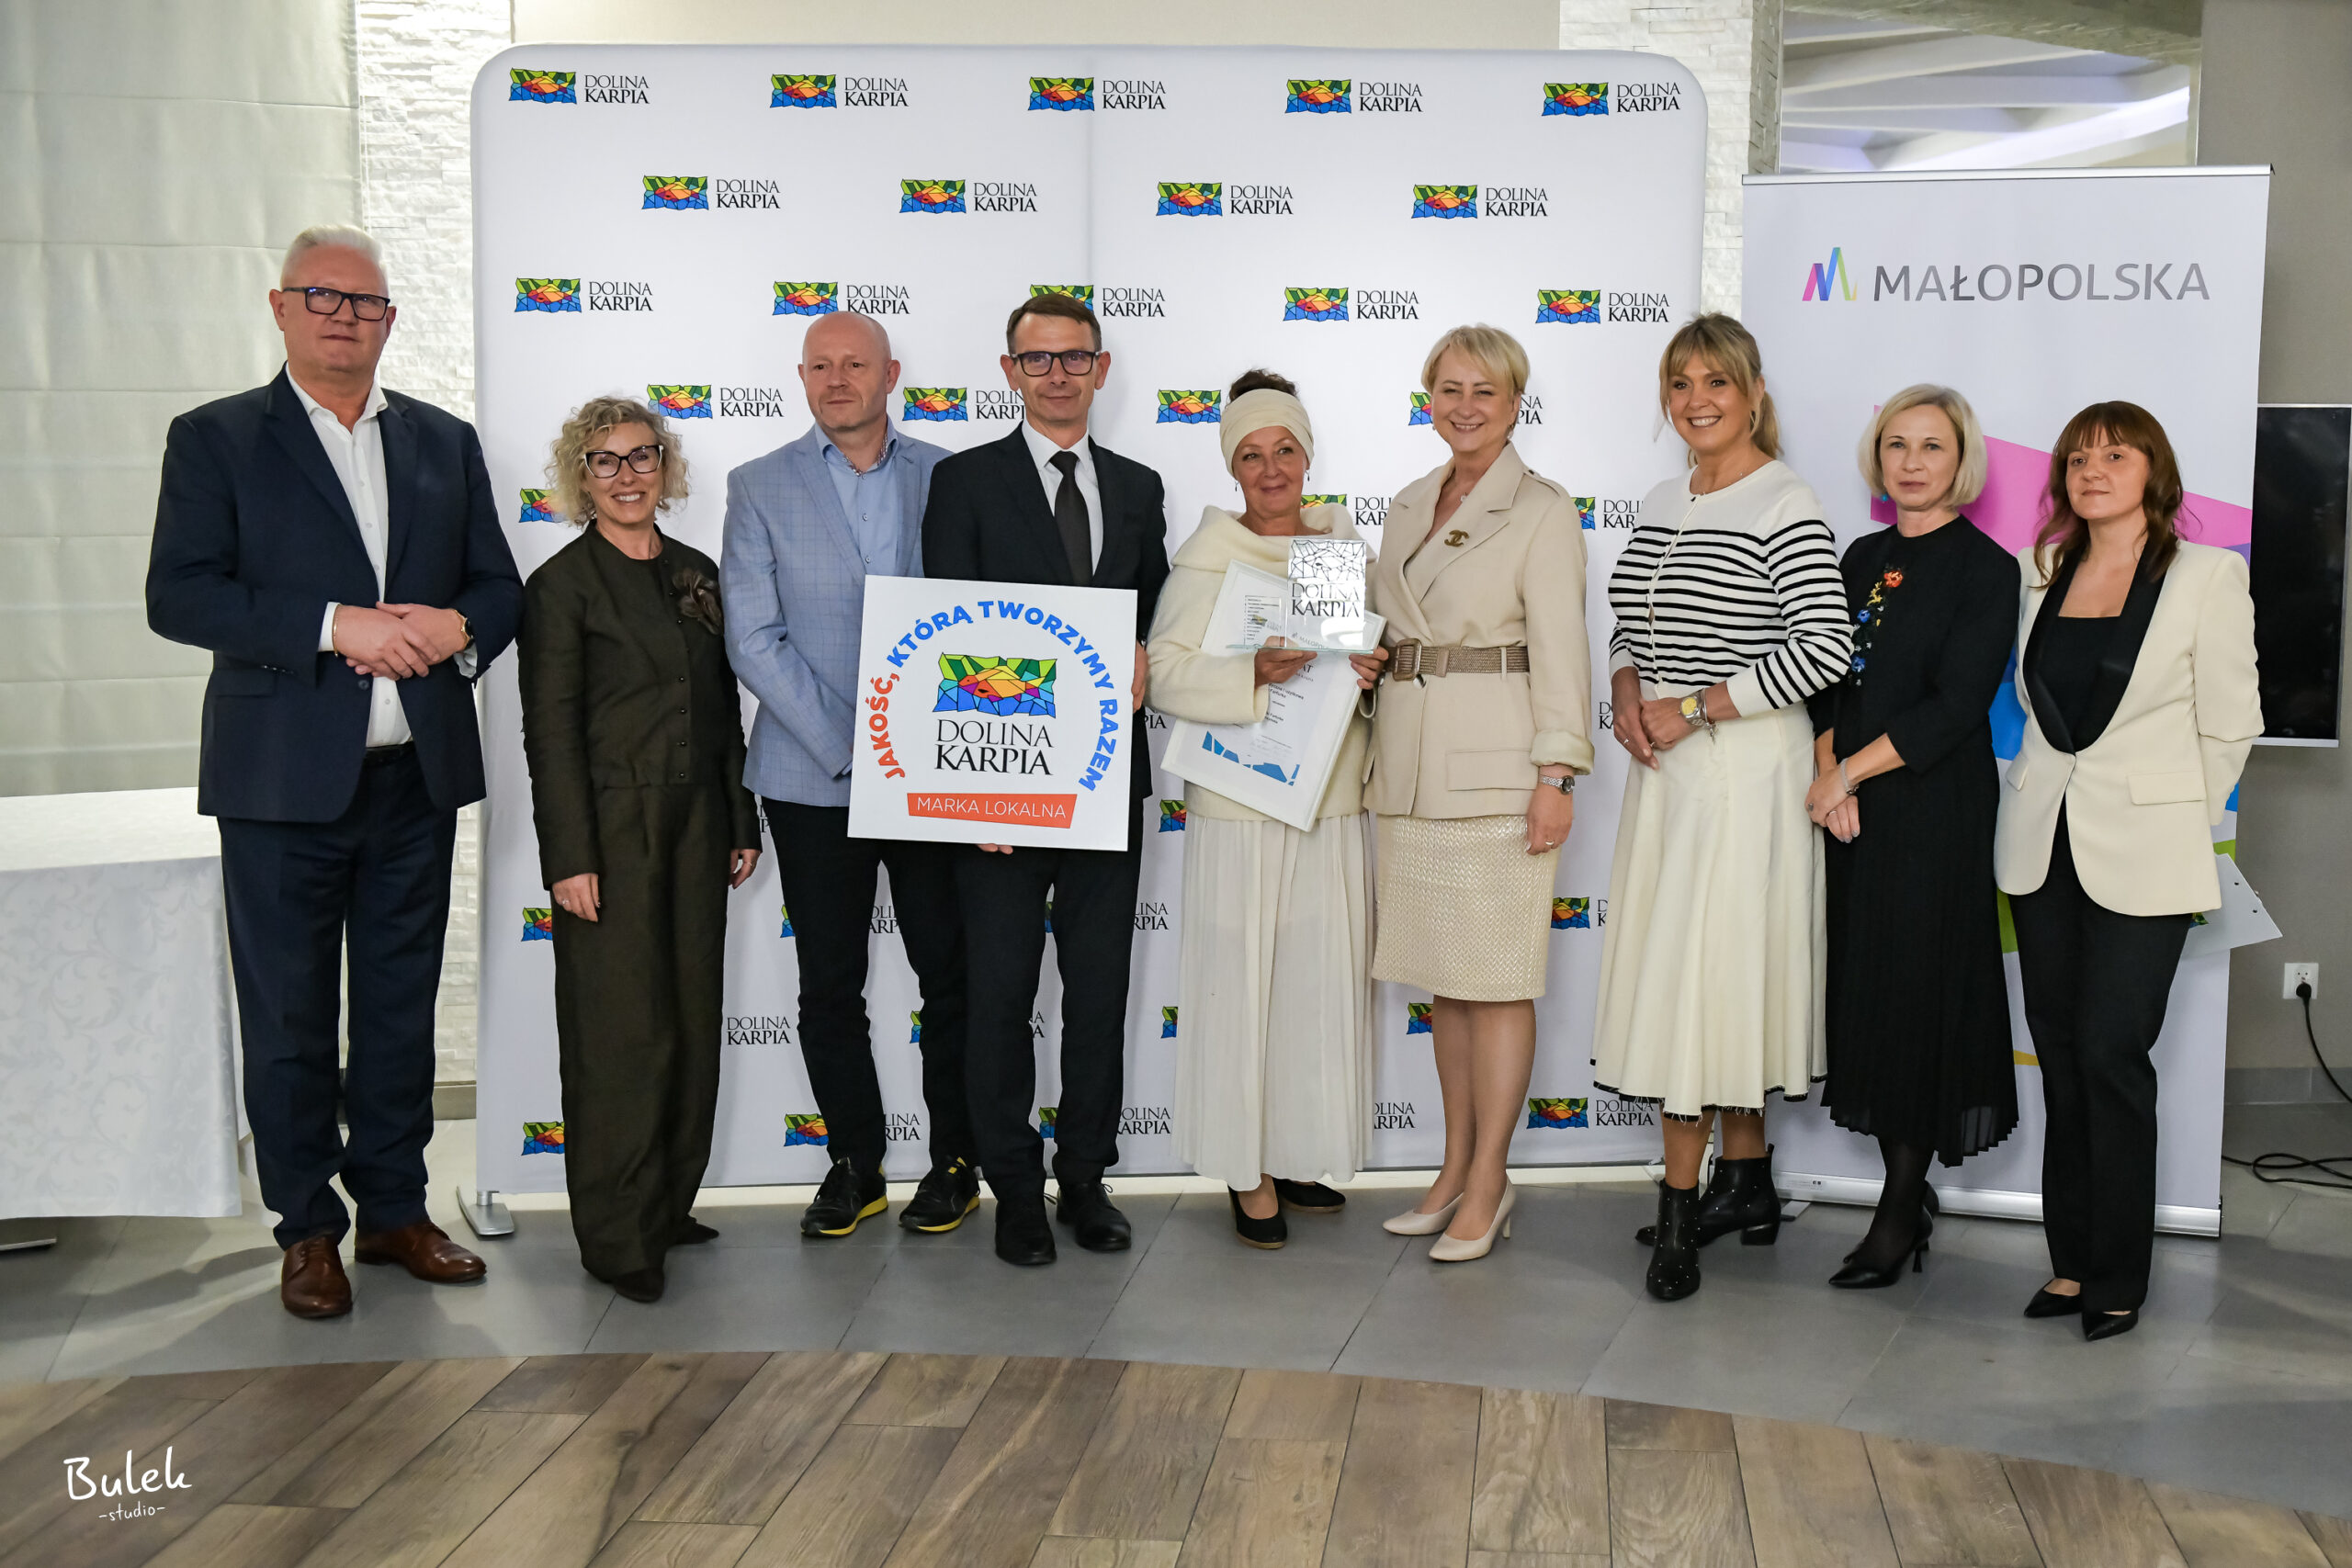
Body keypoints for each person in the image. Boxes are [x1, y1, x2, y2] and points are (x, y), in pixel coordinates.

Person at [145, 224, 522, 1319]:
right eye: (322, 296)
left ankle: (395, 1210)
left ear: (389, 320)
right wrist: (330, 624)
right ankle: (307, 1228)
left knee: (400, 1012)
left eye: (364, 302)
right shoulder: (216, 438)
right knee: (293, 1020)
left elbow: (498, 589)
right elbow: (180, 595)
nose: (344, 316)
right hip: (278, 787)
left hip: (415, 779)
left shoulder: (443, 441)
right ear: (281, 308)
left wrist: (456, 626)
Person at [1592, 311, 1851, 1303]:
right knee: (1713, 974)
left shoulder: (1785, 500)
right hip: (1669, 774)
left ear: (1752, 394)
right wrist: (1627, 688)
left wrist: (1694, 707)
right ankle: (1746, 1183)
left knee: (1698, 984)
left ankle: (1678, 1212)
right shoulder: (1666, 498)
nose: (1696, 401)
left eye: (1716, 382)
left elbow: (1823, 649)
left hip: (1741, 772)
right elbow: (1630, 619)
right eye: (1680, 383)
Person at [1996, 400, 2260, 1341]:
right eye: (2077, 458)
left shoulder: (2205, 576)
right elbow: (2035, 707)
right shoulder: (2040, 571)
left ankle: (2117, 1274)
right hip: (2042, 844)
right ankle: (2070, 1261)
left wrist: (2178, 820)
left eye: (2114, 454)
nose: (2092, 471)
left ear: (2155, 470)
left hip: (2148, 854)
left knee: (2111, 1053)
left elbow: (2230, 724)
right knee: (2062, 1055)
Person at [921, 289, 1169, 1267]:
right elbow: (947, 631)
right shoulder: (965, 482)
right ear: (1009, 372)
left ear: (1101, 368)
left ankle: (1086, 1179)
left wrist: (1148, 650)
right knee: (999, 995)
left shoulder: (1140, 486)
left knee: (1099, 992)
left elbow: (1154, 613)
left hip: (1107, 779)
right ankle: (1014, 1189)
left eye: (1074, 357)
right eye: (1038, 359)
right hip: (1002, 786)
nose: (1057, 374)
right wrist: (972, 794)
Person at [721, 311, 978, 1240]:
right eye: (820, 365)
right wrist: (857, 744)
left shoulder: (952, 476)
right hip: (809, 772)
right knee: (829, 983)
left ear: (891, 375)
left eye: (855, 364)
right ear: (801, 378)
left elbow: (980, 618)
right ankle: (854, 1164)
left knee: (948, 975)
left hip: (936, 776)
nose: (837, 379)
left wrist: (909, 751)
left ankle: (955, 1161)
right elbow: (752, 636)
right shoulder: (757, 485)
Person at [1356, 324, 1592, 1264]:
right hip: (1410, 770)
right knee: (1446, 988)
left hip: (1498, 774)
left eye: (1484, 391)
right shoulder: (1409, 501)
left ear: (1514, 403)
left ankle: (1491, 1179)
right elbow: (1394, 626)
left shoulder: (1542, 509)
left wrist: (1556, 775)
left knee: (1495, 984)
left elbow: (1563, 652)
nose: (1464, 407)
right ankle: (1453, 1167)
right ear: (1428, 398)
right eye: (1448, 389)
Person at [519, 397, 763, 1303]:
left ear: (665, 467)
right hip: (610, 832)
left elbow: (724, 709)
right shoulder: (559, 588)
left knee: (691, 1019)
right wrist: (569, 856)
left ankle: (664, 1204)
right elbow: (549, 733)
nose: (627, 475)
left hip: (699, 823)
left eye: (641, 456)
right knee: (620, 1033)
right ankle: (617, 1235)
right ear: (581, 478)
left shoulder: (697, 572)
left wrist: (741, 819)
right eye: (605, 460)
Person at [1145, 371, 1374, 1248]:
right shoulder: (1209, 557)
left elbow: (1353, 675)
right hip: (1239, 803)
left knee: (1313, 984)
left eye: (1285, 450)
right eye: (1251, 454)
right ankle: (1248, 1169)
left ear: (1307, 457)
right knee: (1238, 987)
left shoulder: (1337, 548)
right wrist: (1251, 672)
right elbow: (1163, 672)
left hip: (1324, 800)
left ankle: (1297, 1148)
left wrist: (1368, 673)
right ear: (1231, 467)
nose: (1271, 469)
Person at [1804, 386, 2018, 1289]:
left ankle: (1899, 1208)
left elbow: (1956, 703)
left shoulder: (1987, 568)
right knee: (1870, 988)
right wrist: (1829, 767)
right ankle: (1904, 1192)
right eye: (1897, 444)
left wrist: (1848, 773)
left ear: (1961, 459)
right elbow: (1827, 678)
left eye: (1932, 445)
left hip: (1933, 809)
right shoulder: (1859, 556)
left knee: (1919, 997)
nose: (1913, 461)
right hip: (1851, 807)